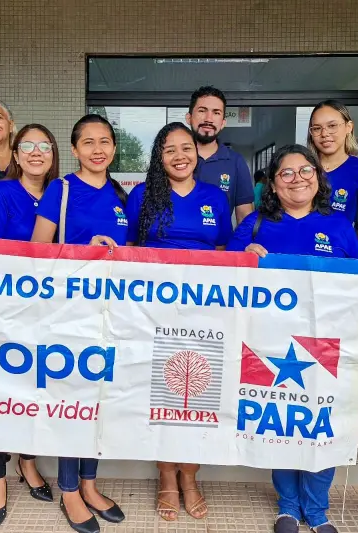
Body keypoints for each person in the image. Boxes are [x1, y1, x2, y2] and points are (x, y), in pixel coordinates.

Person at [227, 144, 358, 533]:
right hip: (269, 343)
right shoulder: (254, 225)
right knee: (279, 418)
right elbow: (224, 273)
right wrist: (245, 257)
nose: (297, 179)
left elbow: (355, 278)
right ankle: (287, 506)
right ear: (273, 184)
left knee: (321, 420)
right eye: (286, 173)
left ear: (317, 178)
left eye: (305, 171)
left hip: (326, 345)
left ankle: (317, 511)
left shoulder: (339, 225)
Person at [125, 122, 231, 522]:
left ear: (196, 152)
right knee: (162, 393)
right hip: (154, 310)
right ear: (159, 157)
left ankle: (190, 474)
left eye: (186, 148)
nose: (180, 156)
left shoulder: (214, 198)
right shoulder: (142, 195)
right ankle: (166, 474)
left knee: (197, 394)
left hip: (204, 312)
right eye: (169, 150)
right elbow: (130, 251)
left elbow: (225, 252)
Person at [31, 114, 127, 533]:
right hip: (69, 311)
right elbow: (37, 249)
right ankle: (69, 489)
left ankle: (89, 484)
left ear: (114, 148)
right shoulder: (62, 189)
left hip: (112, 313)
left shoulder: (122, 195)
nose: (97, 149)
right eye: (88, 142)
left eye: (104, 141)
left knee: (100, 399)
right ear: (74, 150)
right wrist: (83, 250)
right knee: (72, 400)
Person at [0, 123, 61, 529]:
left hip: (49, 312)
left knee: (36, 391)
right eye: (27, 145)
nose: (36, 152)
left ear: (54, 153)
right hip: (5, 309)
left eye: (44, 145)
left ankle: (28, 461)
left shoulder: (62, 194)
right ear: (15, 153)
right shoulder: (0, 193)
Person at [186, 85, 254, 223]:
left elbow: (245, 216)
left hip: (221, 237)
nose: (208, 119)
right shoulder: (176, 159)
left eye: (216, 113)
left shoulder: (235, 162)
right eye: (202, 111)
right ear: (189, 118)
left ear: (223, 123)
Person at [307, 100, 358, 226]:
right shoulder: (302, 169)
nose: (324, 134)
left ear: (348, 127)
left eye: (332, 126)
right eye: (317, 128)